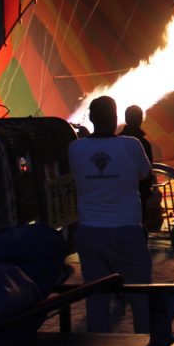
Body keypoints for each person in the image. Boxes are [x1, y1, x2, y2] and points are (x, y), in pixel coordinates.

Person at [68, 96, 152, 332]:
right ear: (116, 118)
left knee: (96, 299)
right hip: (127, 230)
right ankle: (145, 345)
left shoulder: (75, 148)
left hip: (89, 231)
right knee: (140, 296)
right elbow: (145, 175)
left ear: (91, 118)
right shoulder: (132, 145)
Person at [118, 105, 156, 229]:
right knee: (139, 225)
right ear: (140, 119)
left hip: (118, 193)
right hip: (138, 193)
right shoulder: (143, 143)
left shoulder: (115, 141)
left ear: (126, 119)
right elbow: (147, 171)